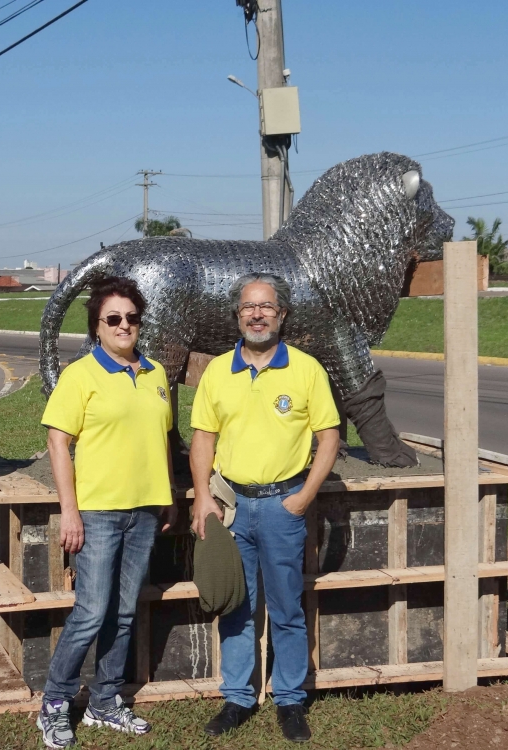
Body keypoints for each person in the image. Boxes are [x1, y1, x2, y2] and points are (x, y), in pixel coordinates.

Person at [189, 272, 341, 742]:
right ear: (238, 316)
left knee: (286, 607)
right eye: (249, 308)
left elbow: (329, 436)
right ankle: (237, 697)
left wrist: (304, 496)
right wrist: (201, 496)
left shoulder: (306, 369)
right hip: (232, 506)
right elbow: (203, 439)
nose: (257, 315)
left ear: (282, 315)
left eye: (267, 307)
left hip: (282, 506)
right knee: (238, 605)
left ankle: (290, 700)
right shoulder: (218, 370)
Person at [36, 276, 177, 749]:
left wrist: (169, 496)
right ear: (97, 326)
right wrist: (70, 511)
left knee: (122, 613)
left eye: (131, 318)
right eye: (113, 319)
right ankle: (54, 703)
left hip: (144, 512)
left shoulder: (156, 374)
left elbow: (159, 441)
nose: (123, 325)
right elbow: (58, 441)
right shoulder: (81, 375)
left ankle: (104, 701)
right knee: (91, 612)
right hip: (98, 512)